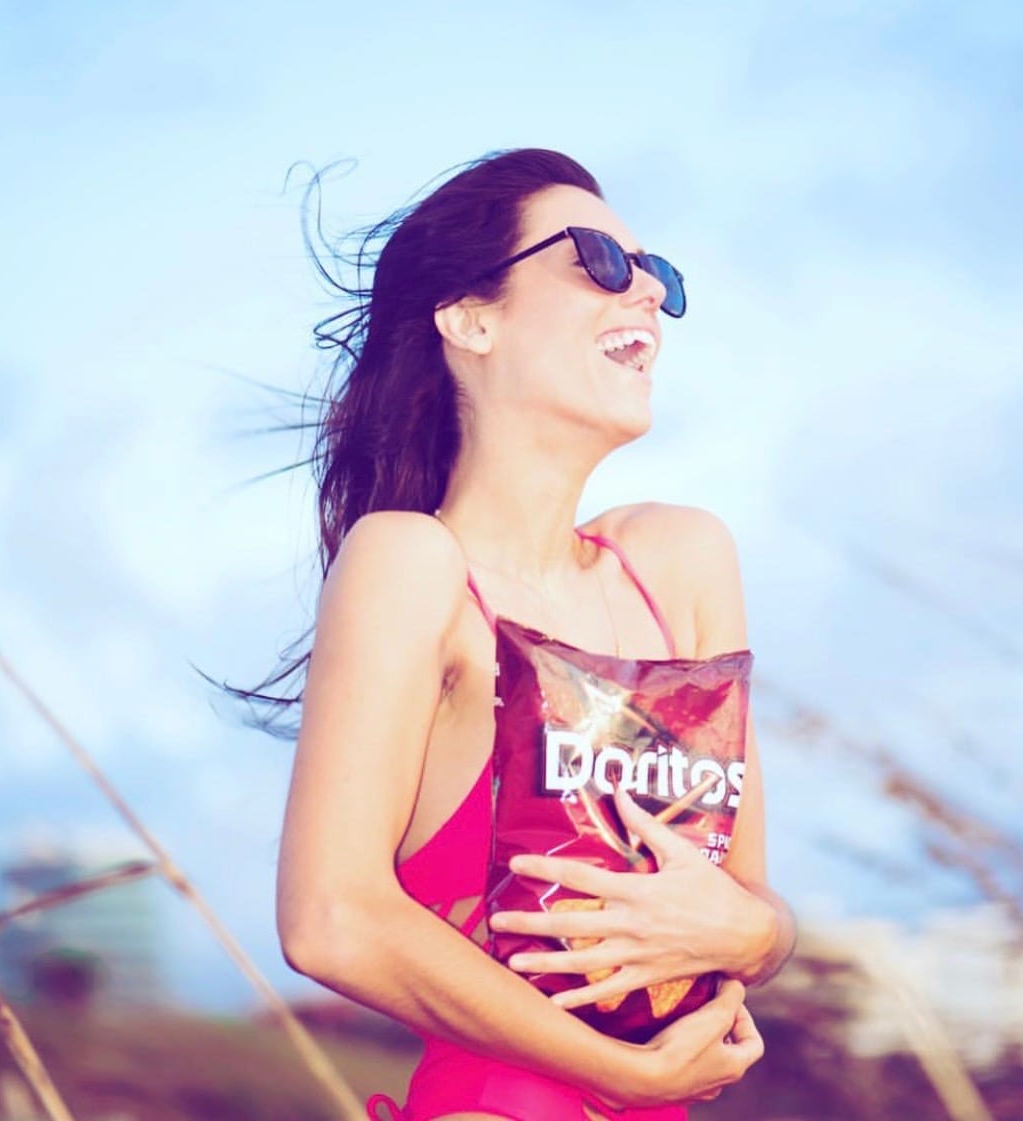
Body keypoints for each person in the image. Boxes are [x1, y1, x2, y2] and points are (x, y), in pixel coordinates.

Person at [272, 148, 796, 1120]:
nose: (647, 291)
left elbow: (751, 901)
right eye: (598, 259)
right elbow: (331, 919)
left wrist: (758, 942)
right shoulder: (411, 565)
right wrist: (622, 1071)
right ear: (472, 318)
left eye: (661, 275)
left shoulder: (678, 562)